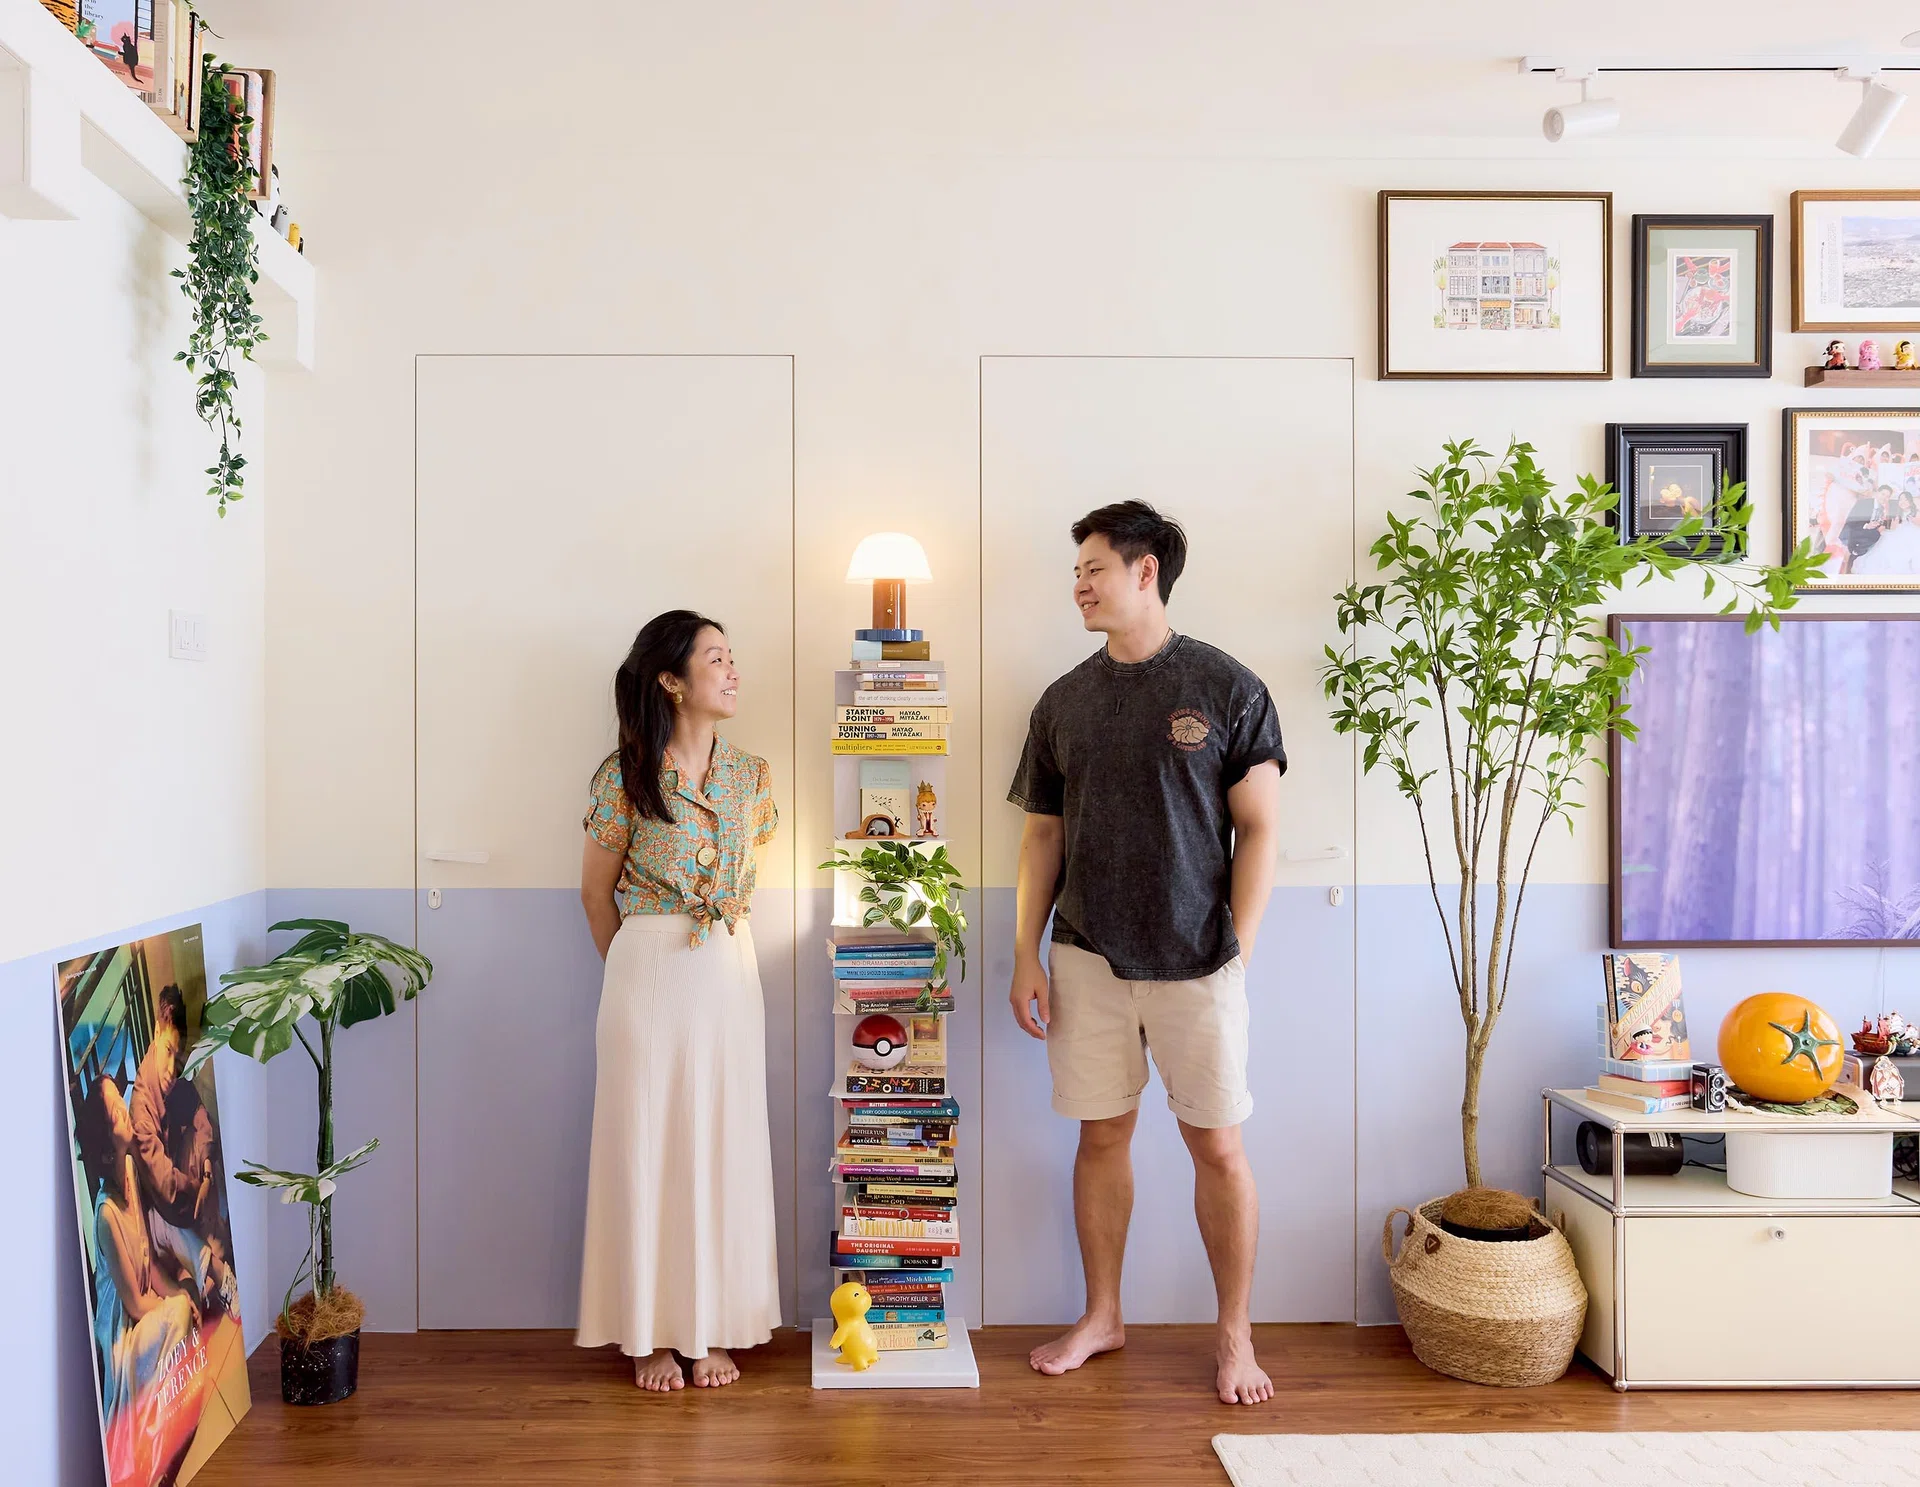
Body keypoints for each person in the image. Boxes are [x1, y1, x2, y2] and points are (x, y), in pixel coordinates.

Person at [1007, 501, 1284, 1406]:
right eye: (1076, 572)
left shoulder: (1227, 686)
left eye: (1093, 568)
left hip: (1199, 960)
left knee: (1219, 1147)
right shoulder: (1063, 701)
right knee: (1101, 1136)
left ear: (1145, 571)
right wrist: (1025, 953)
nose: (1079, 586)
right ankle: (1102, 1315)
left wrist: (1239, 947)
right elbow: (1042, 837)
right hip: (1085, 955)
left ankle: (1235, 1335)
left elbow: (1259, 828)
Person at [575, 610, 782, 1392]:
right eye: (715, 658)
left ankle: (714, 1324)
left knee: (723, 1144)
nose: (732, 670)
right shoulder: (623, 774)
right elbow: (595, 894)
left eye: (733, 657)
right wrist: (639, 971)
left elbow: (748, 864)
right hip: (648, 973)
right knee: (647, 1147)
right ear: (670, 679)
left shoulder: (752, 776)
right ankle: (649, 1334)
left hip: (729, 967)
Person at [75, 1075, 199, 1440]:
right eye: (117, 1111)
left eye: (120, 1098)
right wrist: (175, 1303)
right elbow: (134, 1305)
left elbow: (149, 1263)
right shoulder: (106, 1216)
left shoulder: (129, 1171)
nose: (124, 1108)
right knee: (180, 1310)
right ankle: (155, 1412)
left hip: (144, 1305)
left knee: (185, 1296)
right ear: (105, 1148)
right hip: (124, 1332)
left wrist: (177, 1292)